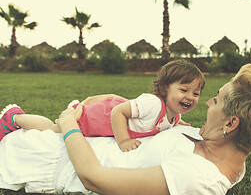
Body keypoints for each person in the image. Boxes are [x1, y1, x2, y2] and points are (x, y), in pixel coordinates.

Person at [0, 64, 251, 195]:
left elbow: (92, 176)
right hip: (68, 141)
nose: (208, 102)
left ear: (231, 123)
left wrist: (67, 124)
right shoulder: (212, 143)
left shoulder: (196, 179)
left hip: (46, 160)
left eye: (217, 99)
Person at [0, 59, 205, 152]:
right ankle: (13, 117)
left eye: (196, 93)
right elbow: (118, 111)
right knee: (55, 129)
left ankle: (16, 118)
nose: (191, 97)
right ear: (164, 88)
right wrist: (123, 140)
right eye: (184, 90)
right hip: (97, 118)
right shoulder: (153, 104)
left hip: (102, 121)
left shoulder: (174, 114)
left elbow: (173, 121)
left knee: (56, 129)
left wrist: (182, 125)